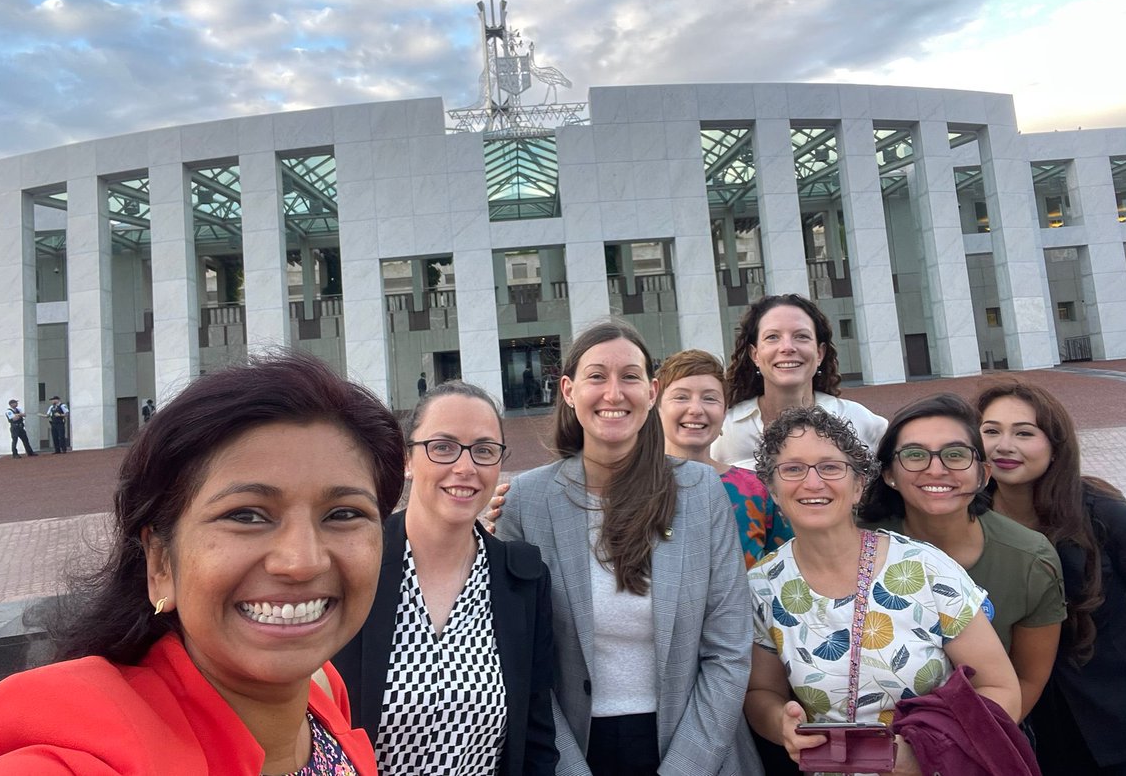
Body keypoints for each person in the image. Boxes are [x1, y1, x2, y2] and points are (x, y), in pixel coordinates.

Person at [0, 352, 406, 774]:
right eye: (245, 515)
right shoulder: (84, 744)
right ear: (160, 564)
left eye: (344, 514)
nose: (302, 562)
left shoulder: (323, 690)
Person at [498, 320, 760, 776]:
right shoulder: (527, 501)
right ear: (568, 390)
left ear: (652, 391)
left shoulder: (698, 491)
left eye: (630, 377)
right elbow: (520, 661)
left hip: (695, 747)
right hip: (571, 750)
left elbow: (729, 650)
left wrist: (684, 768)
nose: (614, 394)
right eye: (597, 376)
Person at [745, 407, 1022, 773]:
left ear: (859, 485)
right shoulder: (763, 586)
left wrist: (925, 748)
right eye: (793, 469)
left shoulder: (924, 569)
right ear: (773, 490)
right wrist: (782, 724)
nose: (812, 483)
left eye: (830, 467)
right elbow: (760, 693)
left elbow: (1002, 690)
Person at [334, 381, 557, 775]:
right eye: (443, 447)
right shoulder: (353, 564)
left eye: (484, 450)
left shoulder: (521, 580)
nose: (465, 467)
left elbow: (536, 739)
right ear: (406, 459)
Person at [977, 381, 1126, 774]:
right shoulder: (965, 520)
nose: (1003, 445)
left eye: (1023, 432)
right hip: (1033, 726)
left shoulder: (1101, 512)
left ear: (1055, 445)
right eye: (990, 431)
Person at [857, 393, 1065, 721]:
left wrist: (956, 752)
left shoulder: (1030, 560)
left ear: (983, 473)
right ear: (888, 474)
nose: (936, 469)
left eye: (955, 455)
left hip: (986, 737)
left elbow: (1028, 679)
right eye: (914, 455)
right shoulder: (856, 545)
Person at [712, 293, 886, 469]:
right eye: (772, 337)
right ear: (755, 355)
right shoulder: (724, 431)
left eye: (801, 336)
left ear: (819, 353)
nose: (787, 347)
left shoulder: (859, 420)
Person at [656, 348, 793, 567]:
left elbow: (784, 567)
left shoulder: (756, 489)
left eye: (710, 399)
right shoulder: (634, 485)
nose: (696, 409)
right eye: (681, 397)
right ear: (657, 407)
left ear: (724, 412)